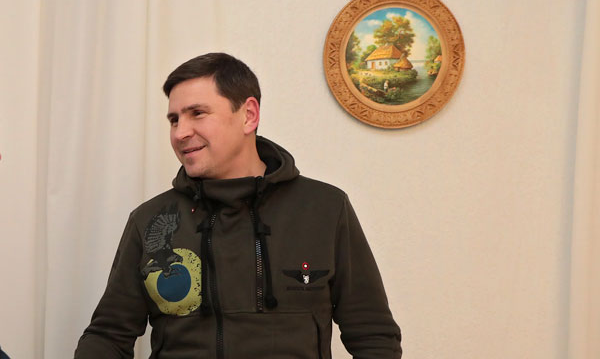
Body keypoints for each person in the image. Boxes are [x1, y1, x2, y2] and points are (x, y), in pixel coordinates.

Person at [75, 53, 401, 358]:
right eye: (174, 119)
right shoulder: (150, 219)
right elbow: (108, 336)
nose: (180, 133)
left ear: (248, 115)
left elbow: (373, 335)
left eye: (197, 113)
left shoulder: (325, 209)